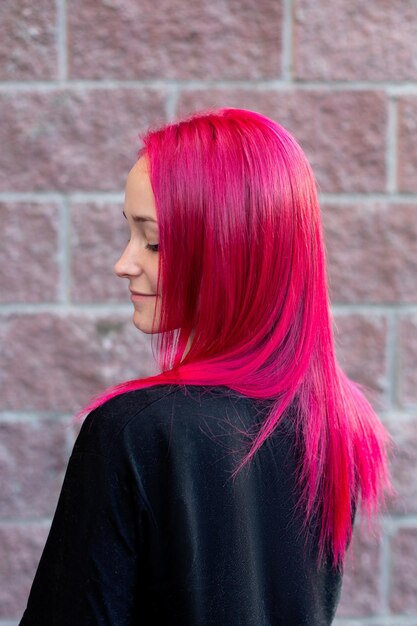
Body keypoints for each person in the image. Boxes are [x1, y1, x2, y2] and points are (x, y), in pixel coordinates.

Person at [19, 108, 394, 625]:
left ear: (227, 248)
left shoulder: (136, 432)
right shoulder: (333, 424)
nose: (124, 263)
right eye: (129, 234)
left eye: (153, 241)